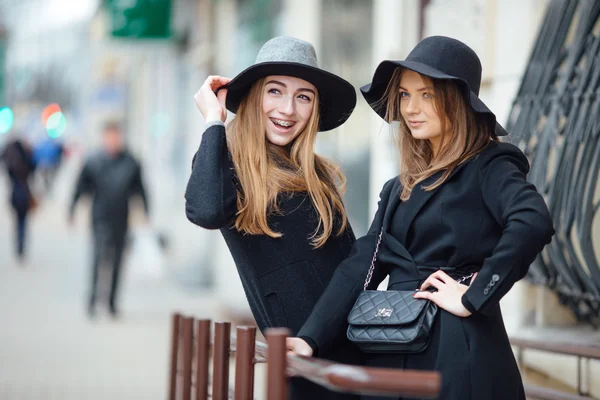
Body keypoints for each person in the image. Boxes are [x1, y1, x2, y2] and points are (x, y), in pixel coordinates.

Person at [286, 36, 555, 400]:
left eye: (427, 94)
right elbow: (363, 263)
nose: (411, 107)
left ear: (457, 102)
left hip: (456, 346)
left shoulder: (489, 164)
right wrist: (310, 337)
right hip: (392, 344)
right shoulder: (398, 188)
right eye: (405, 95)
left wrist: (474, 295)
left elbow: (532, 221)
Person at [184, 36, 361, 400]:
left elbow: (351, 266)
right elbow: (205, 210)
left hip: (354, 348)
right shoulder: (227, 163)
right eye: (275, 91)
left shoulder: (318, 174)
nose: (288, 109)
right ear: (253, 97)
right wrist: (214, 121)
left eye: (303, 97)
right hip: (301, 357)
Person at [69, 121, 149, 318]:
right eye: (109, 136)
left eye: (116, 136)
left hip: (121, 218)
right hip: (100, 217)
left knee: (117, 262)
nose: (113, 141)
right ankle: (92, 301)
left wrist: (146, 211)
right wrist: (71, 209)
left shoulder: (131, 162)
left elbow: (140, 188)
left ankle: (112, 303)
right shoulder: (94, 161)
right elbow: (80, 187)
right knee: (98, 259)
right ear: (104, 138)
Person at [1, 136, 37, 262]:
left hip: (15, 193)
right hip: (24, 192)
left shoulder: (12, 160)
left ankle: (19, 245)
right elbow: (33, 168)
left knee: (18, 222)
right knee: (23, 222)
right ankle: (21, 245)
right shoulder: (26, 158)